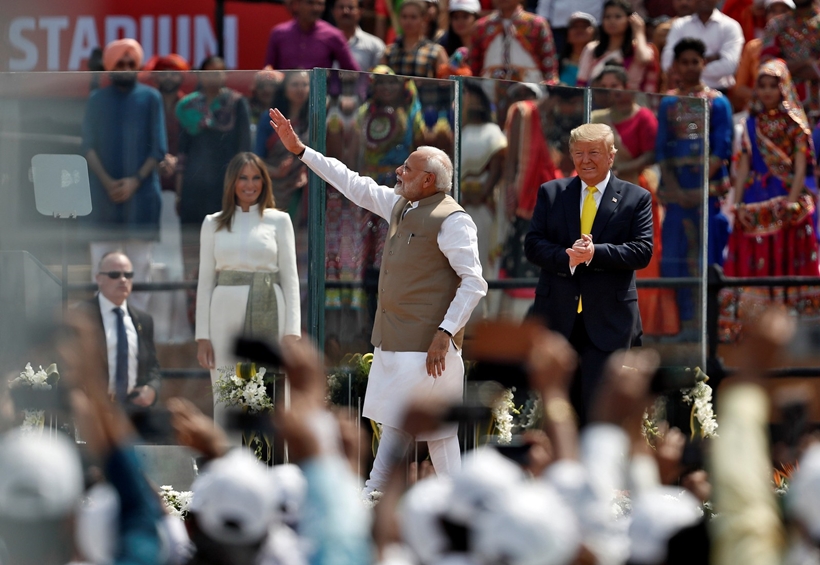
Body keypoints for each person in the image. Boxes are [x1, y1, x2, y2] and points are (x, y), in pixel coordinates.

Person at [269, 107, 487, 495]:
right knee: (434, 435)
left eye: (407, 168)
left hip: (427, 349)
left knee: (406, 427)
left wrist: (445, 333)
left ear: (428, 179)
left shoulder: (454, 220)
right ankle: (457, 500)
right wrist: (302, 151)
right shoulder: (401, 204)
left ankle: (374, 493)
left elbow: (474, 282)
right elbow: (352, 183)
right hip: (394, 341)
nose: (398, 172)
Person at [524, 122, 653, 422]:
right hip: (558, 320)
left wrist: (596, 253)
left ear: (611, 156)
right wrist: (566, 257)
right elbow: (533, 245)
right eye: (579, 153)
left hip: (609, 321)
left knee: (601, 411)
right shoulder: (552, 193)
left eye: (594, 152)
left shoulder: (636, 198)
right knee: (559, 411)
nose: (585, 160)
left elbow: (642, 250)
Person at [195, 152, 301, 427]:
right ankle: (228, 450)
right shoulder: (212, 223)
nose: (250, 185)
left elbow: (290, 278)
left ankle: (272, 451)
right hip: (223, 315)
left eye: (256, 178)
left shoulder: (279, 220)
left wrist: (292, 332)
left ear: (264, 182)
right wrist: (202, 337)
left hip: (270, 306)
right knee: (227, 389)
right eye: (243, 178)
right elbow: (205, 282)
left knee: (271, 390)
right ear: (232, 182)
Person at [719, 59, 820, 342]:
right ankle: (750, 329)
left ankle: (794, 330)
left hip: (786, 199)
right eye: (761, 86)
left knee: (788, 259)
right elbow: (743, 167)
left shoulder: (796, 124)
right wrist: (738, 204)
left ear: (783, 88)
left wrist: (791, 201)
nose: (766, 92)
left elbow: (800, 167)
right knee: (753, 260)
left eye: (772, 86)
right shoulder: (750, 124)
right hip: (755, 199)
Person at [591, 65, 680, 337]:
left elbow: (652, 154)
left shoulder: (643, 117)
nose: (612, 92)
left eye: (616, 86)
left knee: (642, 258)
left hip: (635, 191)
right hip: (601, 193)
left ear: (627, 87)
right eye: (606, 87)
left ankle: (644, 324)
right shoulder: (596, 118)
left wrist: (621, 168)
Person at [81, 38, 167, 313]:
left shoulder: (151, 97)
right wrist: (108, 183)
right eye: (120, 63)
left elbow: (158, 148)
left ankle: (138, 330)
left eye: (132, 63)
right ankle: (104, 328)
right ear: (109, 66)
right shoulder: (97, 100)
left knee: (139, 271)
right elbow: (88, 146)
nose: (127, 68)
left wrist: (134, 181)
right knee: (102, 269)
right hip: (103, 198)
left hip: (141, 197)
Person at [656, 38, 732, 337]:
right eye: (684, 62)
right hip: (676, 192)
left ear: (703, 64)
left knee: (707, 254)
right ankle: (680, 322)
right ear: (675, 66)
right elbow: (662, 148)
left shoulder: (718, 102)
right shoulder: (668, 102)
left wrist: (699, 188)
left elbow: (722, 147)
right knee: (675, 255)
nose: (689, 67)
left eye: (695, 62)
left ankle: (709, 324)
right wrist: (676, 189)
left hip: (707, 192)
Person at [79, 251, 162, 407]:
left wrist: (152, 390)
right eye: (114, 274)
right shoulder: (81, 315)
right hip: (95, 409)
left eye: (128, 275)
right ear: (99, 279)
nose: (123, 280)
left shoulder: (143, 320)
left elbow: (153, 367)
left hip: (135, 411)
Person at [470, 0, 560, 85]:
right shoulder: (481, 27)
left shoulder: (536, 24)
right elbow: (474, 67)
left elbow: (549, 67)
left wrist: (549, 87)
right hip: (489, 90)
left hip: (531, 89)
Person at [660, 0, 744, 91]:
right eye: (685, 62)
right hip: (683, 91)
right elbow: (667, 63)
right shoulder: (680, 25)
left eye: (696, 62)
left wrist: (686, 70)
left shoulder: (730, 27)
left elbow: (729, 66)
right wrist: (713, 58)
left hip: (720, 91)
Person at [576, 0, 659, 92]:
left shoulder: (637, 49)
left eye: (618, 17)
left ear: (629, 20)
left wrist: (639, 33)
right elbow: (581, 83)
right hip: (597, 99)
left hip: (631, 99)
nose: (612, 21)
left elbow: (644, 59)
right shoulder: (592, 49)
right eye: (607, 17)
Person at [760, 0, 820, 124]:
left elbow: (815, 71)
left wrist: (788, 68)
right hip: (785, 107)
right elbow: (768, 65)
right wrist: (806, 63)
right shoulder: (777, 24)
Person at [732, 0, 795, 112]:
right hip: (759, 111)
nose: (778, 16)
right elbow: (739, 88)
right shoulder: (753, 47)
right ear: (766, 15)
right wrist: (764, 96)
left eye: (783, 11)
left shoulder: (800, 47)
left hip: (793, 110)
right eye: (773, 11)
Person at [264, 0, 360, 71]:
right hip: (285, 92)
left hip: (319, 92)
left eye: (320, 4)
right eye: (310, 3)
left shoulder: (334, 35)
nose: (316, 8)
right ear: (297, 4)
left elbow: (353, 72)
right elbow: (269, 68)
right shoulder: (279, 33)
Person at [333, 0, 386, 72]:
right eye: (341, 7)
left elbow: (381, 74)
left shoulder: (375, 45)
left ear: (360, 12)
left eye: (351, 7)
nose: (345, 11)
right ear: (333, 11)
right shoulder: (324, 42)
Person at [559, 12, 598, 86]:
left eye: (584, 26)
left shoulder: (600, 61)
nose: (579, 29)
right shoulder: (556, 62)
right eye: (574, 27)